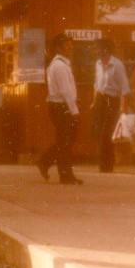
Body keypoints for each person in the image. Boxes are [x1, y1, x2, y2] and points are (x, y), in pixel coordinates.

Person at [38, 31, 82, 185]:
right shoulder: (59, 66)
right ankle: (64, 174)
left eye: (71, 44)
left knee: (66, 141)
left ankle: (49, 164)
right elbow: (65, 91)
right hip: (61, 106)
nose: (70, 47)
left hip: (60, 106)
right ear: (59, 47)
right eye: (67, 44)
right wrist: (74, 110)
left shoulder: (61, 64)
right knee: (65, 142)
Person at [92, 39, 131, 174]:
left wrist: (123, 108)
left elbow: (125, 88)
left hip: (111, 100)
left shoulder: (117, 65)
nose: (96, 51)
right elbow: (96, 84)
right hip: (100, 100)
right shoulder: (97, 64)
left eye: (98, 48)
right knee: (99, 133)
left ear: (106, 50)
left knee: (106, 133)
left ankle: (106, 165)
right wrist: (93, 101)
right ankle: (105, 164)